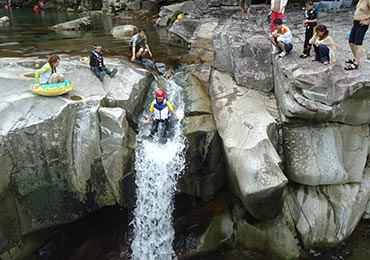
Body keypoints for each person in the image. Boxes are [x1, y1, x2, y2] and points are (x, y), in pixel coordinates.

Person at [345, 0, 370, 70]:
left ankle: (356, 63)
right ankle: (356, 59)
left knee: (358, 44)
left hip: (362, 24)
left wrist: (368, 21)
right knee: (351, 42)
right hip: (356, 22)